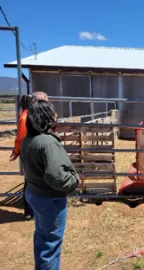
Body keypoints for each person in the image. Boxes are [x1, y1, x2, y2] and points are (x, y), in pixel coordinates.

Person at [21, 100, 80, 269]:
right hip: (50, 198)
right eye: (53, 115)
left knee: (42, 237)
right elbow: (57, 177)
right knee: (51, 244)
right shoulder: (48, 142)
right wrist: (74, 181)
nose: (56, 118)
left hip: (35, 193)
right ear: (45, 118)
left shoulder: (29, 139)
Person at [10, 91, 49, 219]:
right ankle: (29, 210)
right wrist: (17, 151)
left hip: (39, 150)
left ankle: (35, 209)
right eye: (44, 100)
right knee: (30, 180)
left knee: (38, 178)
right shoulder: (25, 117)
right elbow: (21, 137)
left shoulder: (39, 114)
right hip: (30, 152)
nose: (47, 103)